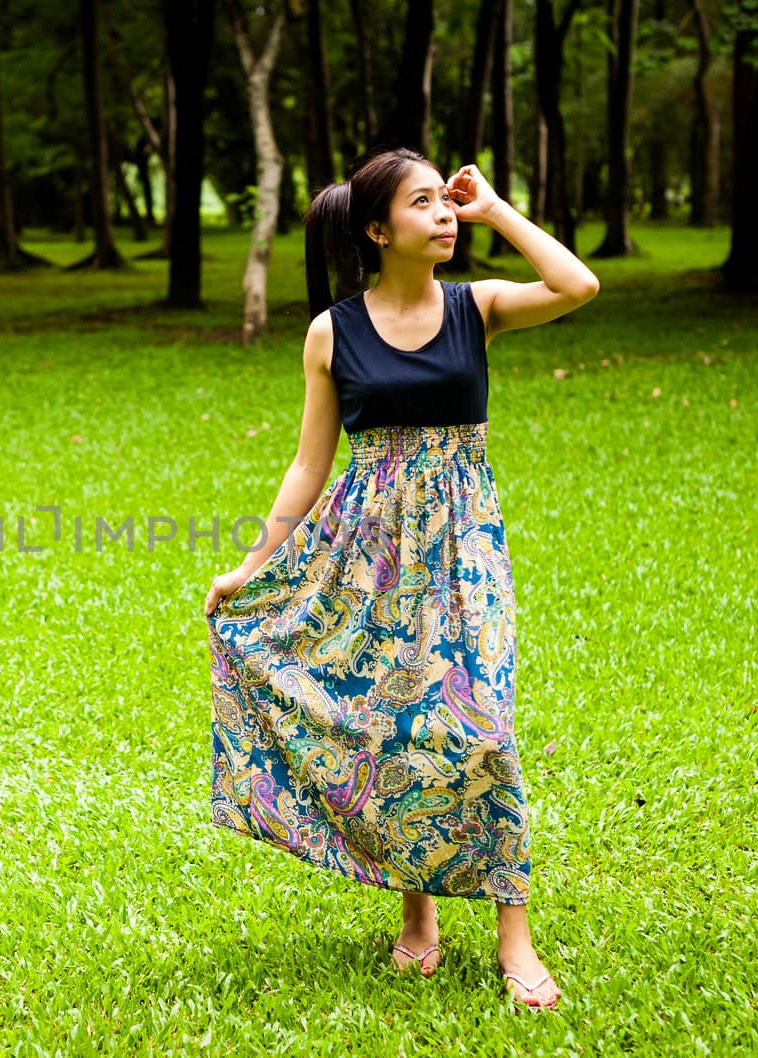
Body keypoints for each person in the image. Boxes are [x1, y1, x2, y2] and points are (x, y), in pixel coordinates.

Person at [203, 147, 599, 1011]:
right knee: (389, 725)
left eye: (446, 203)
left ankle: (514, 934)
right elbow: (309, 468)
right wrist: (254, 564)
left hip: (463, 551)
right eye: (425, 204)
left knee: (482, 726)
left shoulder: (477, 307)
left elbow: (578, 288)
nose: (444, 215)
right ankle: (418, 915)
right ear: (378, 231)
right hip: (367, 554)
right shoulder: (331, 331)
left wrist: (496, 209)